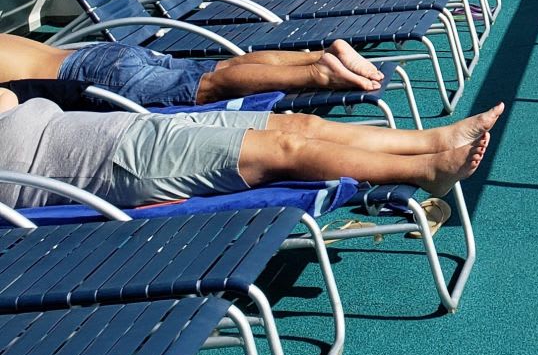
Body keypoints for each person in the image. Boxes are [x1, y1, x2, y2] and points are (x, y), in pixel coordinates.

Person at [0, 87, 504, 213]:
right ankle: (426, 171)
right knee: (284, 149)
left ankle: (433, 140)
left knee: (299, 124)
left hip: (122, 127)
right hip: (107, 165)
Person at [0, 29, 383, 111]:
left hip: (86, 75)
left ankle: (318, 73)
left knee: (210, 85)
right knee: (223, 65)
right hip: (96, 53)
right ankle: (320, 54)